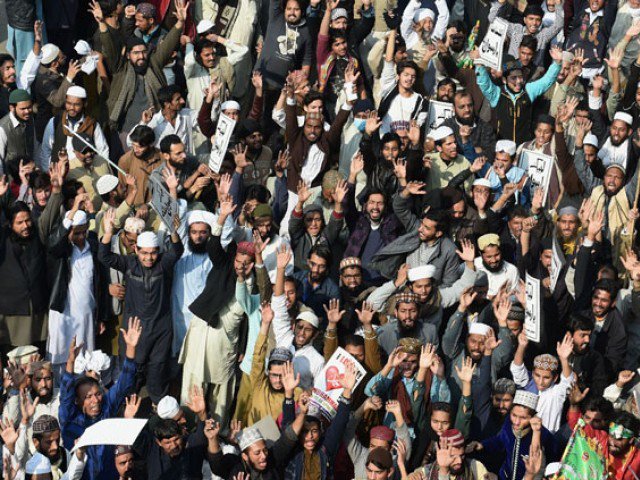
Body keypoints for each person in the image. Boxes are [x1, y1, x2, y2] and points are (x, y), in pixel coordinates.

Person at [99, 209, 183, 404]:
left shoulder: (164, 264)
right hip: (134, 327)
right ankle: (127, 407)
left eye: (153, 253)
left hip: (160, 328)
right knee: (131, 371)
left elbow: (177, 250)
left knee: (157, 369)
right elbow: (104, 257)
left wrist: (173, 231)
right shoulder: (129, 264)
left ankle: (158, 407)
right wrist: (109, 232)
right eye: (144, 253)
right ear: (136, 250)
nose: (149, 258)